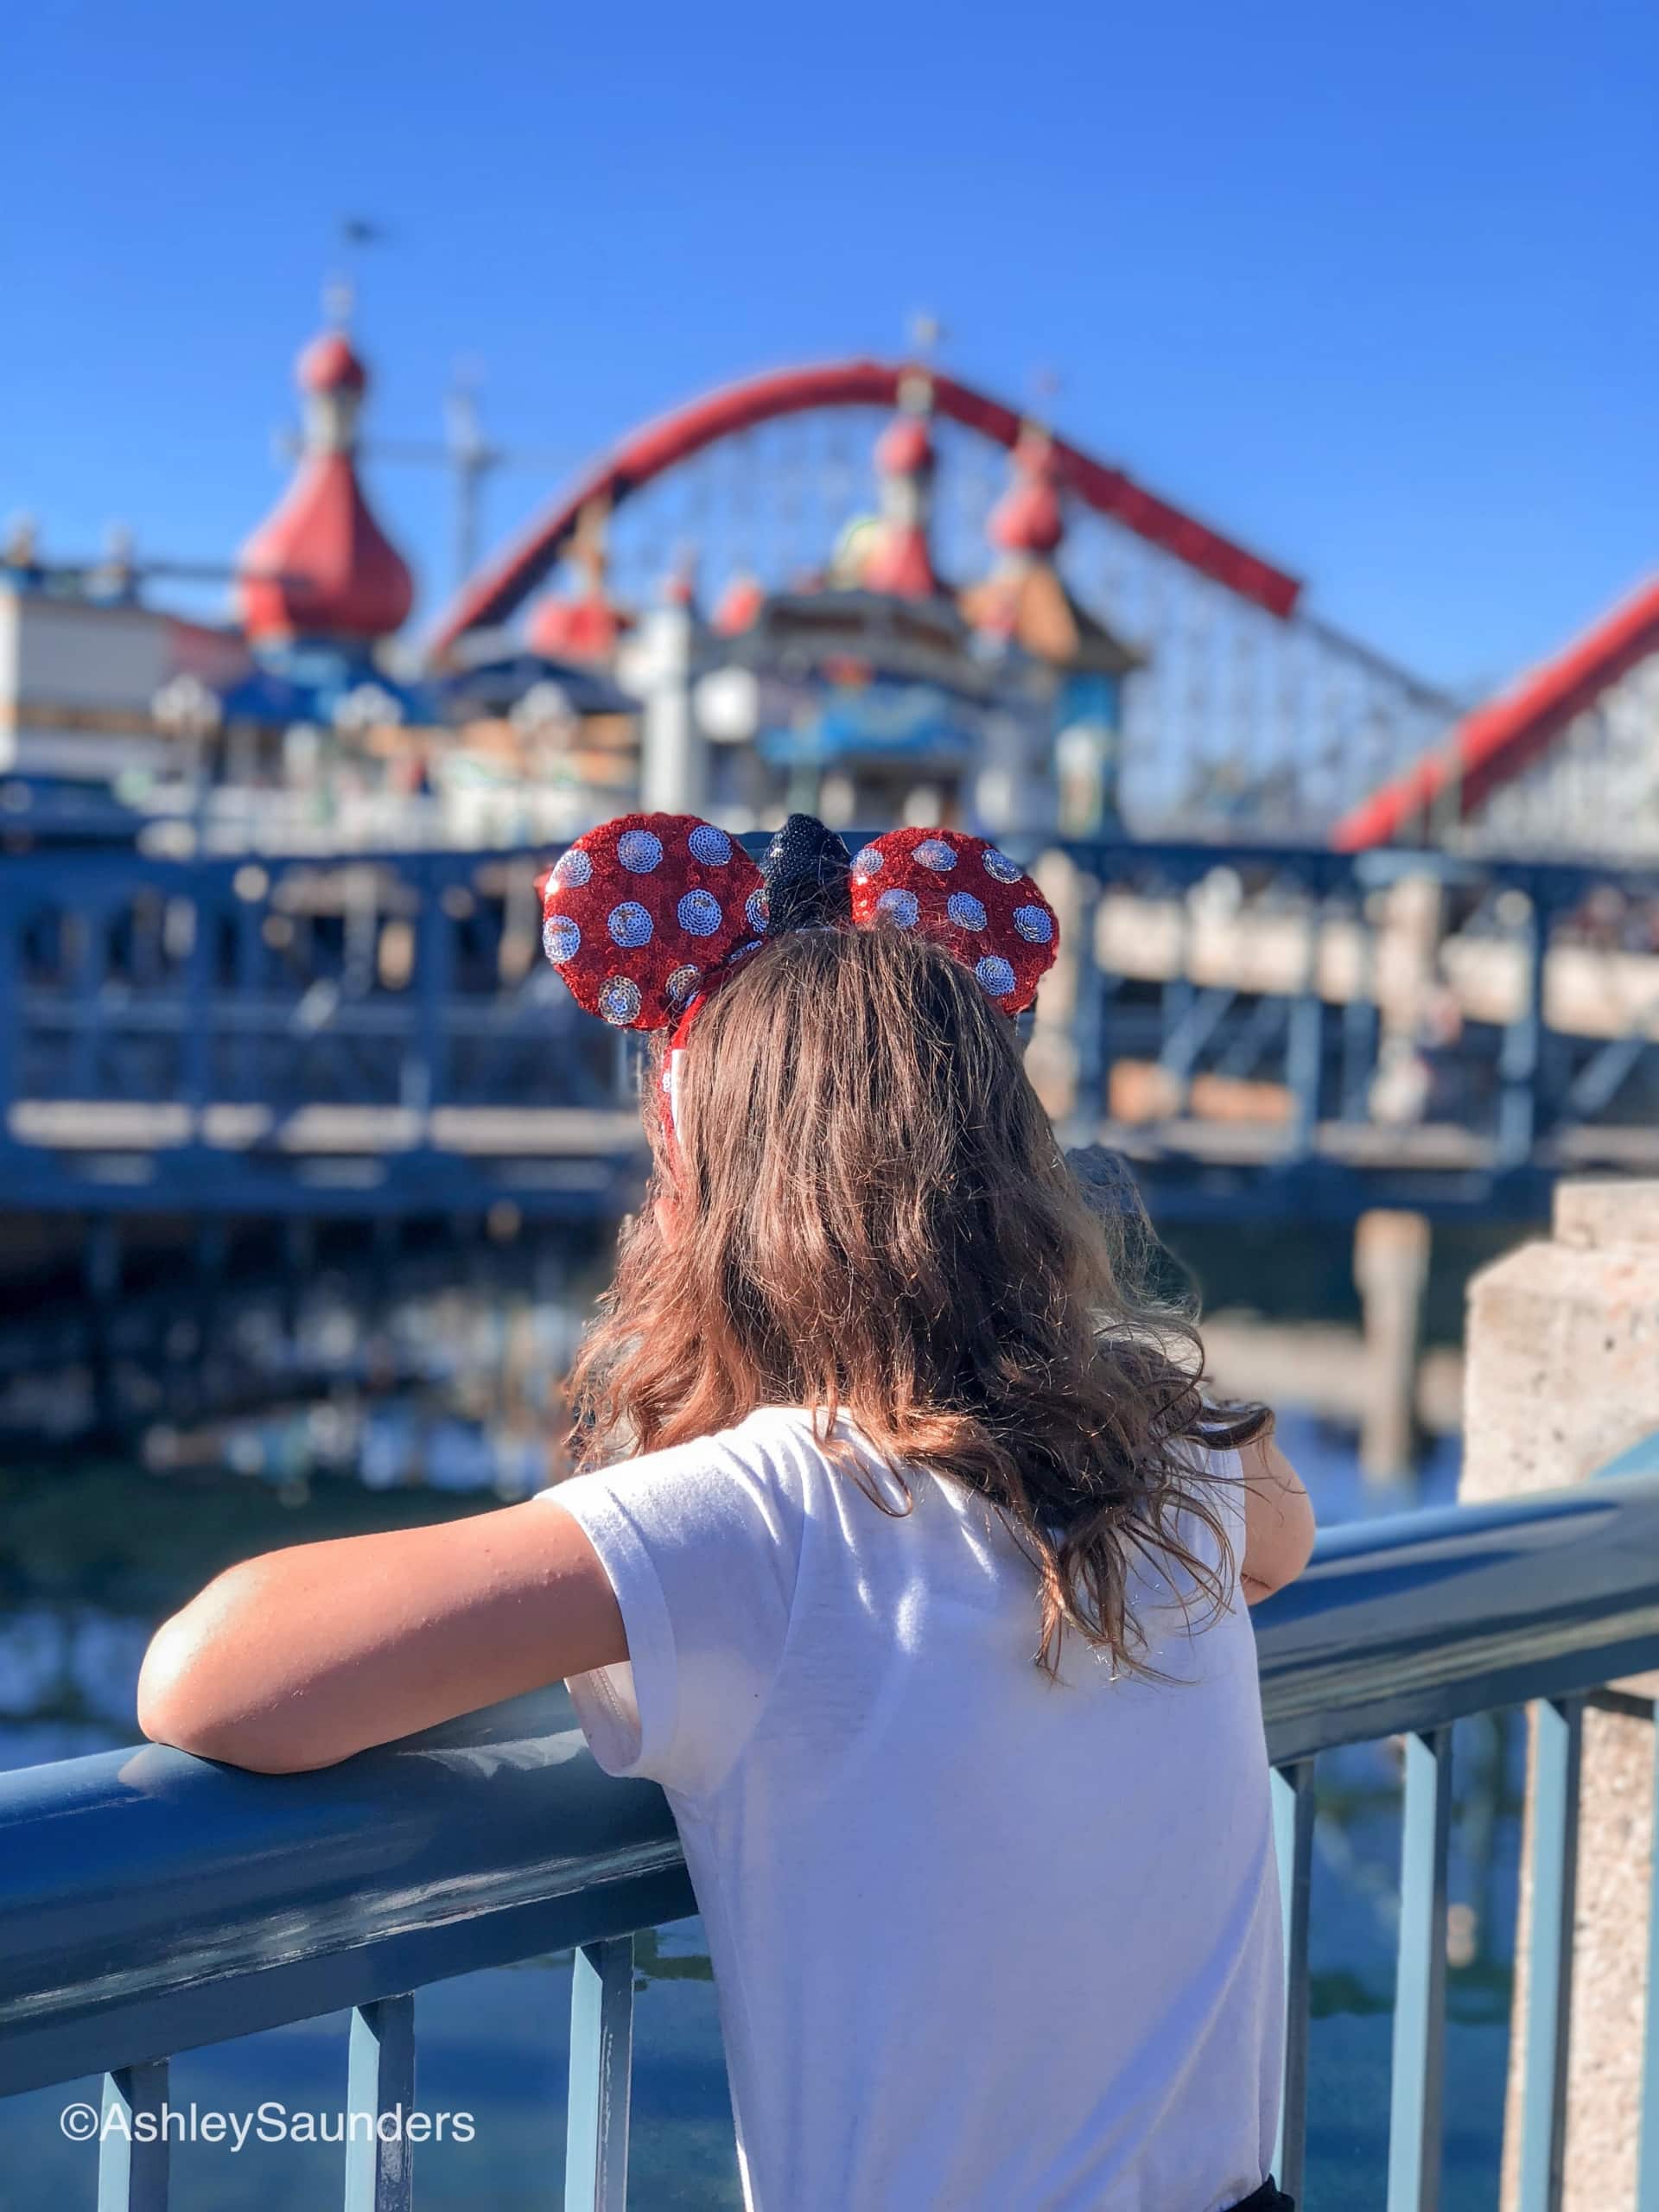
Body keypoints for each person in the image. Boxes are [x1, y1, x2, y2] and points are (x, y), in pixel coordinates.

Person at [139, 813, 1317, 2212]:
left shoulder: (756, 1521)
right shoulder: (1175, 1459)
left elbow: (209, 1676)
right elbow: (1281, 1541)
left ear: (707, 1194)